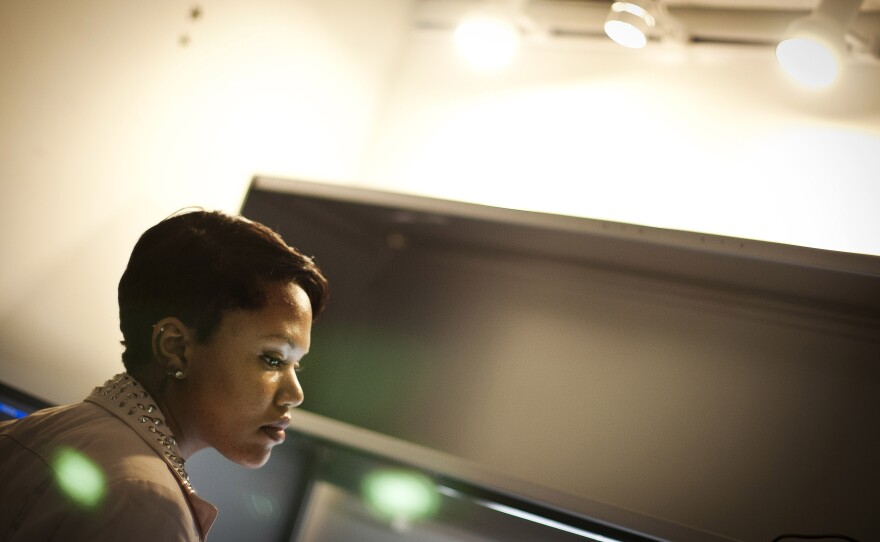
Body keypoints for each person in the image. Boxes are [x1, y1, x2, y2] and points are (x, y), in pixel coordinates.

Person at [0, 209, 329, 541]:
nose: (295, 393)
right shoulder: (147, 504)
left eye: (296, 365)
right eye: (273, 359)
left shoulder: (23, 432)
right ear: (176, 347)